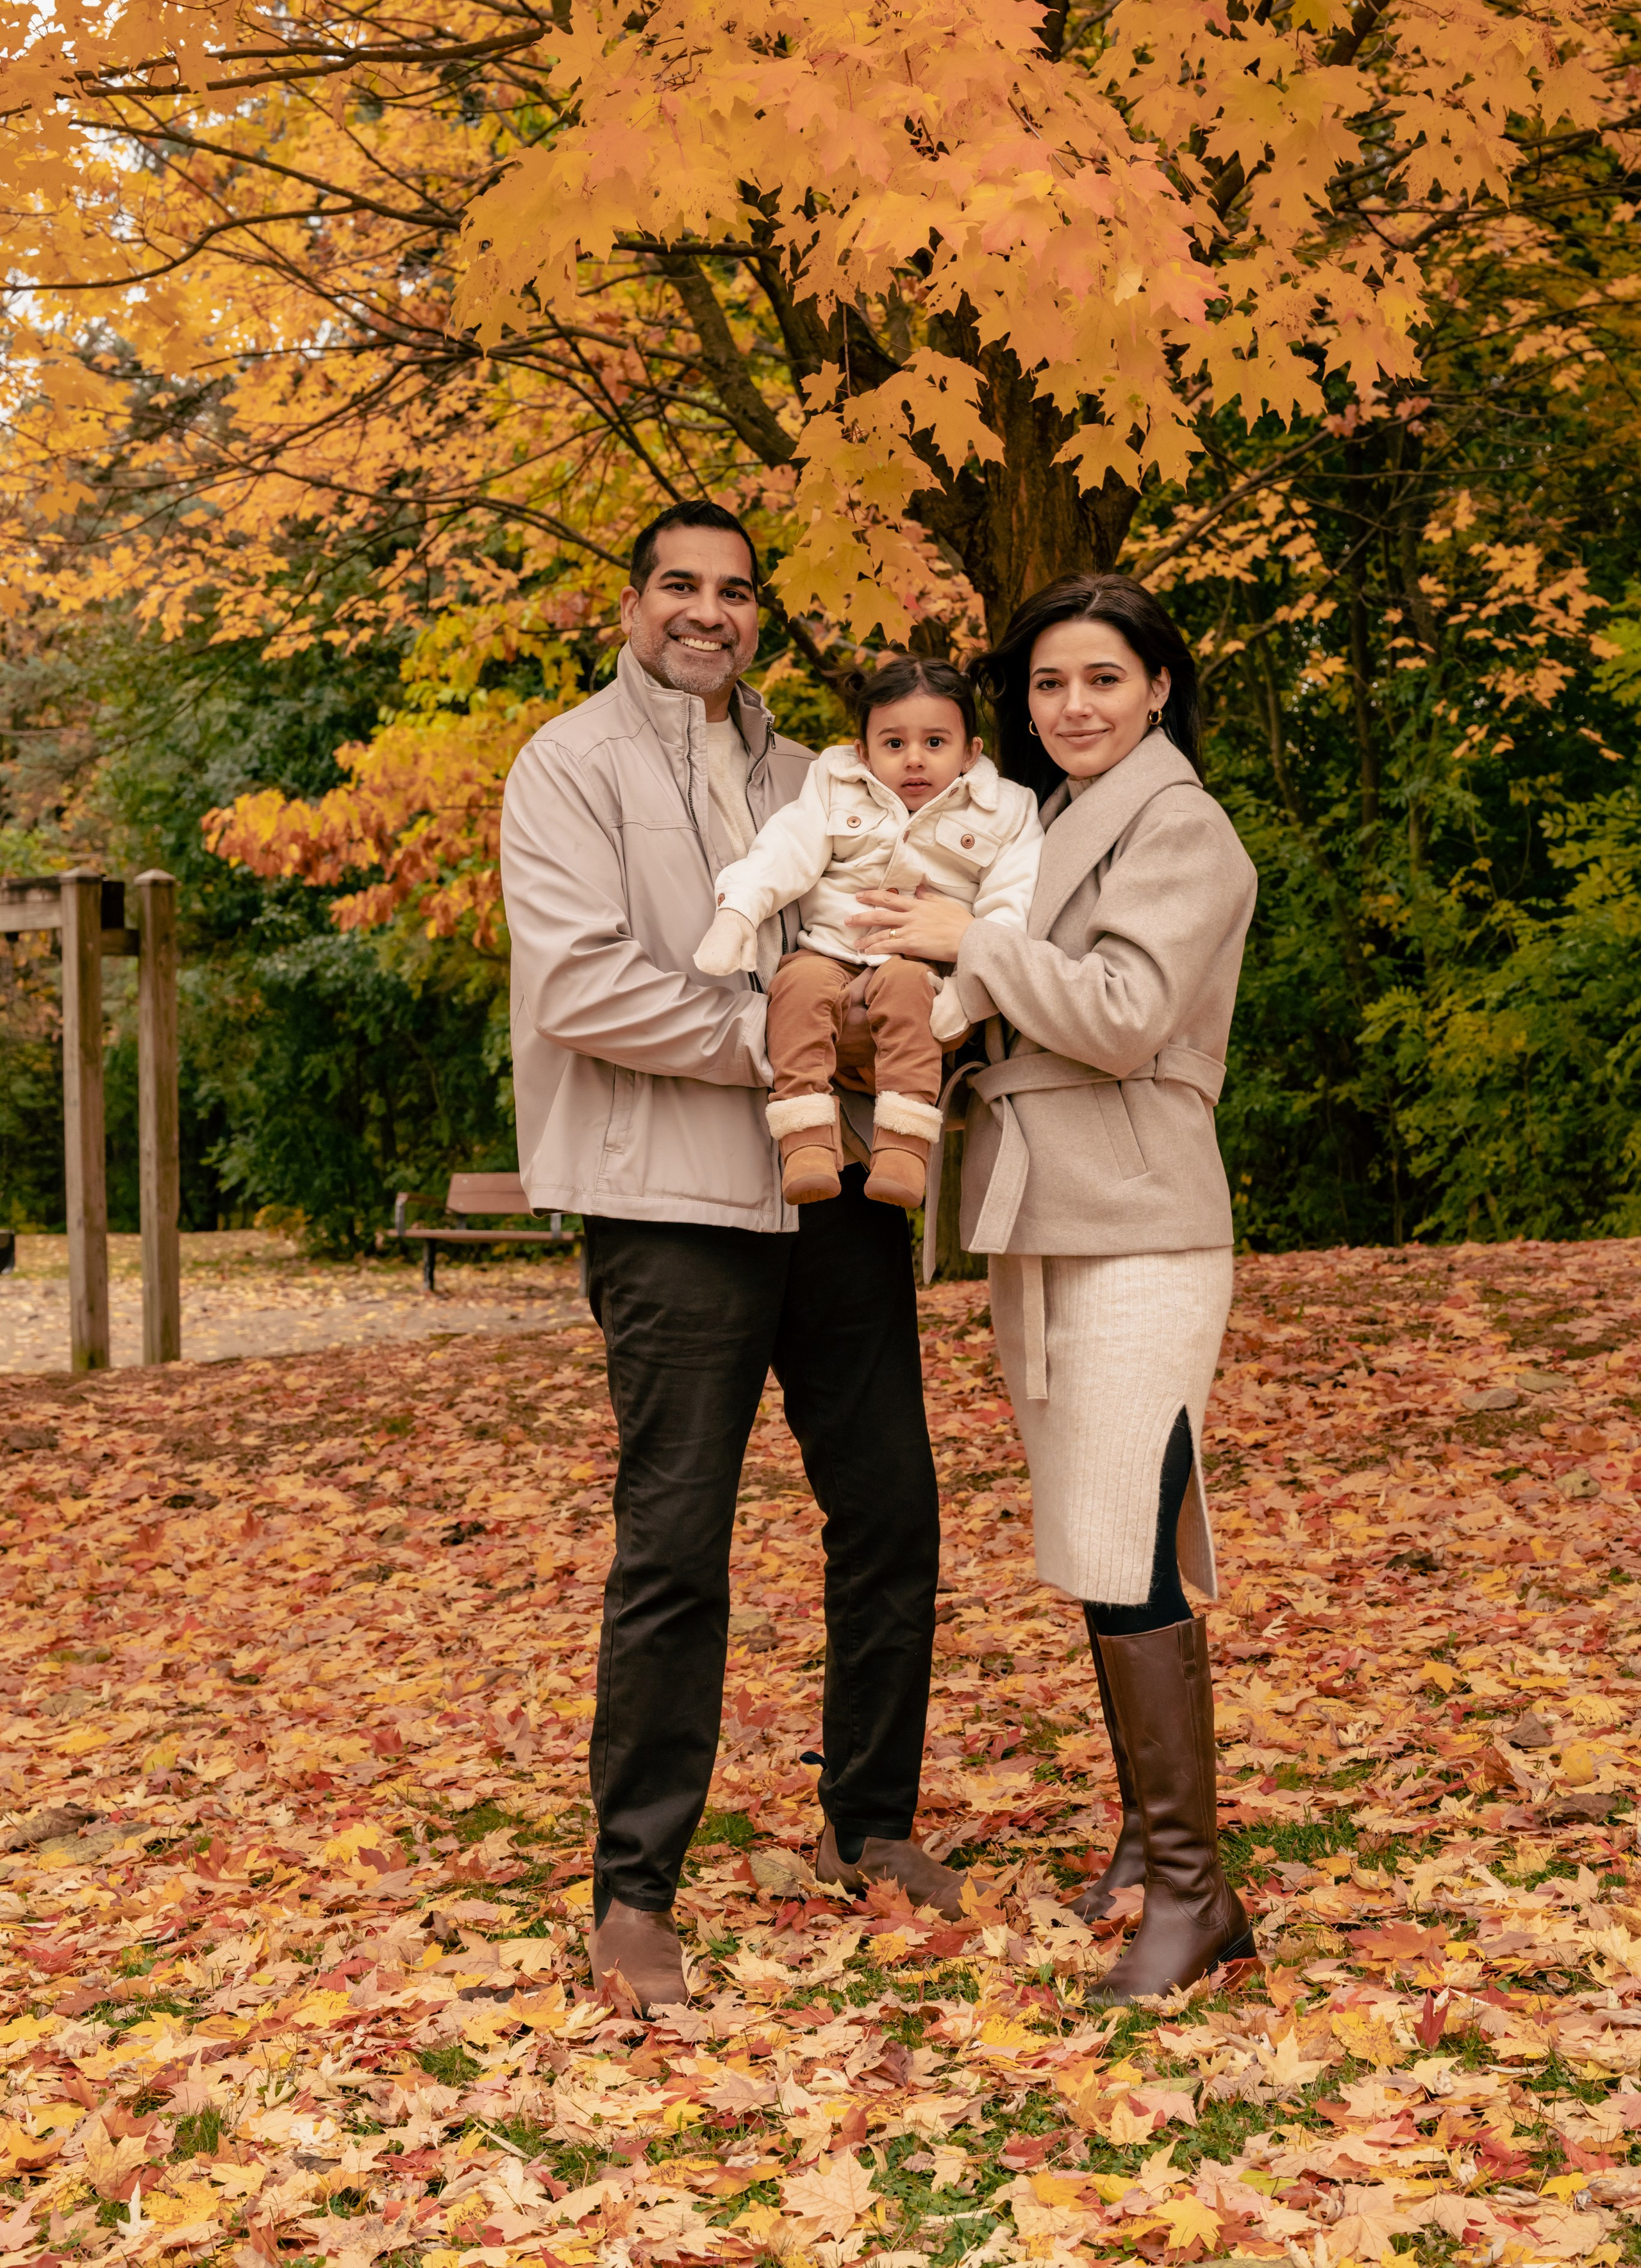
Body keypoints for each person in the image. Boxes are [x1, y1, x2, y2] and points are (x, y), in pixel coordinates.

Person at [499, 499, 965, 2016]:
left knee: (888, 1509)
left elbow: (880, 933)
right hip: (670, 1204)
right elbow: (581, 986)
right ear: (632, 606)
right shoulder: (566, 766)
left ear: (758, 613)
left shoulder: (812, 773)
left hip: (832, 1190)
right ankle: (634, 1888)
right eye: (679, 586)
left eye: (736, 590)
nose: (709, 610)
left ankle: (868, 1820)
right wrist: (784, 1043)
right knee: (674, 1545)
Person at [851, 572, 1258, 2000]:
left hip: (1140, 1218)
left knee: (1131, 1533)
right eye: (1047, 684)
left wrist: (969, 946)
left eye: (1102, 678)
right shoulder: (1050, 822)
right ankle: (1151, 1847)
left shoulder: (1181, 827)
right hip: (1044, 1214)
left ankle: (1196, 1895)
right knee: (1097, 1531)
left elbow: (1125, 1016)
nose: (1073, 705)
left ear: (1158, 688)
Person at [692, 656, 1041, 1209]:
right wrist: (740, 909)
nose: (914, 758)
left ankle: (904, 1146)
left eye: (935, 742)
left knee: (907, 993)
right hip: (832, 947)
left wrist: (968, 991)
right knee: (797, 987)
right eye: (894, 743)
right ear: (863, 751)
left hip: (922, 961)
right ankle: (805, 1138)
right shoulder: (835, 782)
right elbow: (787, 849)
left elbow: (1010, 905)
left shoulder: (1007, 808)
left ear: (970, 752)